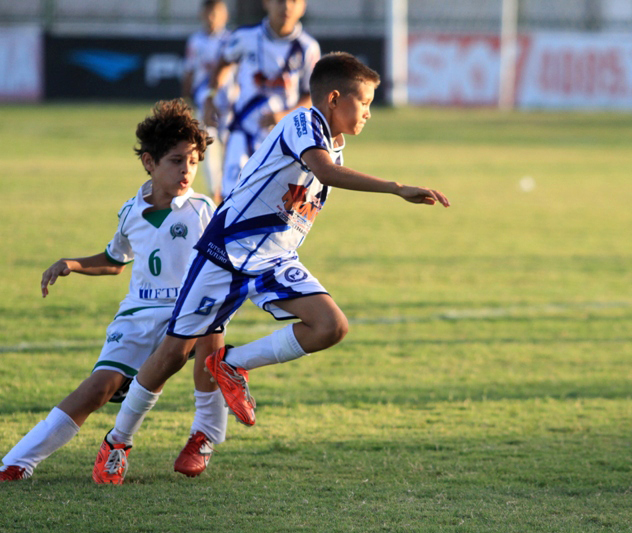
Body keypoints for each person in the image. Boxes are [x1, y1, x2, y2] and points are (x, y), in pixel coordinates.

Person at [92, 52, 450, 484]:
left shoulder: (335, 142)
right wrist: (396, 188)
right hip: (226, 251)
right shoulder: (303, 123)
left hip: (275, 259)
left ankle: (232, 365)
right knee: (173, 354)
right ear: (334, 99)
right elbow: (324, 172)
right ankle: (117, 441)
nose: (369, 113)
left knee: (331, 326)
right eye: (365, 102)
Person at [0, 100, 227, 483]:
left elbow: (226, 260)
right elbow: (115, 259)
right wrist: (72, 264)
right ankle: (17, 462)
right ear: (149, 162)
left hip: (185, 312)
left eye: (192, 161)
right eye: (176, 160)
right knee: (97, 389)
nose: (187, 170)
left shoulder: (203, 209)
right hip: (137, 315)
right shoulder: (130, 212)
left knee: (206, 336)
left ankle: (195, 436)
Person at [203, 0, 320, 199]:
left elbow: (311, 95)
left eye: (294, 1)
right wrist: (210, 98)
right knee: (229, 195)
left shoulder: (308, 47)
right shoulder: (245, 37)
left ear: (303, 6)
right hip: (243, 130)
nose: (287, 7)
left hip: (282, 138)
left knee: (273, 200)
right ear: (266, 3)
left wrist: (285, 115)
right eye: (280, 1)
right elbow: (223, 63)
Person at [182, 0, 231, 204]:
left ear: (224, 15)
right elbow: (189, 71)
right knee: (207, 145)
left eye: (216, 14)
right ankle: (215, 191)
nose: (212, 18)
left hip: (228, 104)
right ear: (202, 15)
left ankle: (231, 188)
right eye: (209, 14)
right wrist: (186, 100)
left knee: (230, 147)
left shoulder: (232, 40)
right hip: (204, 101)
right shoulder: (195, 41)